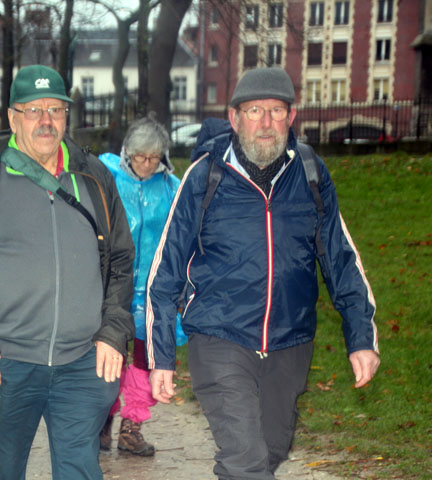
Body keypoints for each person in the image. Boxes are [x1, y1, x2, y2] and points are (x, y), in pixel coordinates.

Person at [147, 67, 380, 479]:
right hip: (220, 336)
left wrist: (361, 337)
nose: (266, 122)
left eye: (276, 110)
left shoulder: (310, 173)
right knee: (246, 462)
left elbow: (341, 260)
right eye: (255, 110)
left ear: (292, 118)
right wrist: (161, 355)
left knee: (268, 453)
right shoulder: (205, 176)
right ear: (235, 117)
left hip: (291, 341)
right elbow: (165, 272)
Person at [0, 64, 135, 479]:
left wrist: (113, 332)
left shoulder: (94, 177)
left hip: (84, 362)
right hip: (6, 362)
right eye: (33, 110)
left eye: (56, 110)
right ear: (12, 118)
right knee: (2, 471)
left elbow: (120, 261)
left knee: (80, 469)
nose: (46, 121)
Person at [98, 116, 185, 456]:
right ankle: (102, 423)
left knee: (146, 360)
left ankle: (131, 427)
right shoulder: (108, 180)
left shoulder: (171, 187)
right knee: (108, 358)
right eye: (140, 156)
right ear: (127, 154)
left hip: (154, 290)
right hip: (112, 287)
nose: (147, 164)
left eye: (154, 157)